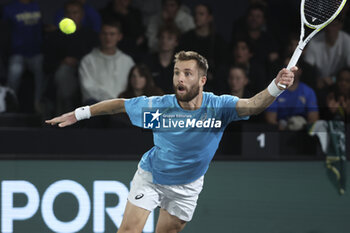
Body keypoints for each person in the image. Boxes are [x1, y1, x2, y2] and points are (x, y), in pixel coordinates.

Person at [46, 51, 296, 233]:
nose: (180, 79)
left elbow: (253, 105)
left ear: (202, 81)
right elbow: (119, 105)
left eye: (188, 73)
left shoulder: (219, 107)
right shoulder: (159, 107)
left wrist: (276, 86)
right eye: (177, 72)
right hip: (152, 177)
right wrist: (80, 113)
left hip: (188, 186)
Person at [44, 0, 98, 114]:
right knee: (63, 74)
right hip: (64, 75)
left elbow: (96, 59)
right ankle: (65, 117)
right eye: (68, 13)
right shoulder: (55, 36)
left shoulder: (91, 36)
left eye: (75, 13)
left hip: (89, 73)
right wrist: (63, 62)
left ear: (82, 15)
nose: (72, 16)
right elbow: (47, 63)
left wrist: (78, 62)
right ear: (64, 15)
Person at [3, 0, 44, 112]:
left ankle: (38, 103)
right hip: (17, 52)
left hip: (36, 52)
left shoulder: (36, 6)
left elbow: (40, 29)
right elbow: (5, 33)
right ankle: (10, 104)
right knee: (14, 72)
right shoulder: (10, 8)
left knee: (42, 69)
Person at [79, 21, 134, 104]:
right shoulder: (88, 60)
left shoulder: (127, 61)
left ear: (119, 37)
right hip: (97, 107)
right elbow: (88, 89)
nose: (108, 38)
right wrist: (110, 101)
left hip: (122, 108)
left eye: (112, 34)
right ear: (100, 35)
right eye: (105, 34)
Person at [265, 58, 319, 131]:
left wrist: (303, 128)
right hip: (280, 132)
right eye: (286, 67)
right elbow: (270, 119)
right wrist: (284, 129)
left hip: (303, 133)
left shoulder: (308, 92)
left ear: (300, 71)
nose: (288, 71)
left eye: (292, 67)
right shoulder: (275, 90)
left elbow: (313, 119)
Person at [304, 17, 350, 90]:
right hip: (319, 82)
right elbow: (308, 68)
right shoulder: (314, 42)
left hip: (340, 82)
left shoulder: (347, 41)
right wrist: (317, 80)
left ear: (340, 26)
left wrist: (335, 79)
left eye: (334, 25)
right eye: (328, 25)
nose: (330, 28)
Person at [145, 23, 180, 94]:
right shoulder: (148, 61)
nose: (164, 41)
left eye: (169, 38)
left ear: (176, 42)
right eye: (162, 37)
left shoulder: (181, 64)